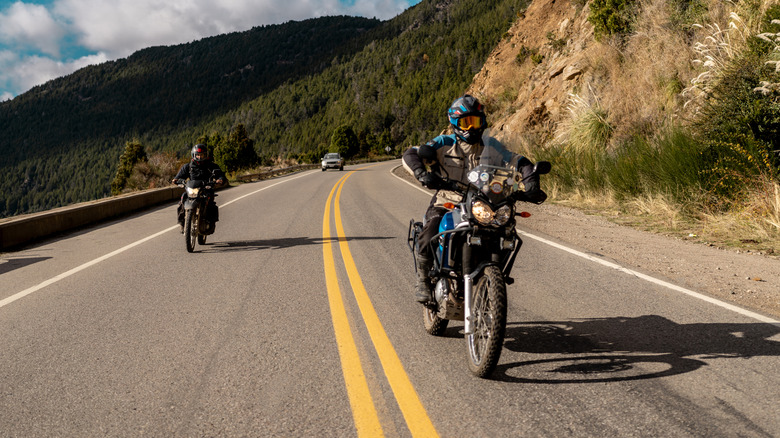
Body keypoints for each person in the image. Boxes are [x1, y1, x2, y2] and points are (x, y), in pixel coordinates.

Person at [402, 94, 547, 304]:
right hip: (448, 200)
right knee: (430, 232)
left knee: (506, 232)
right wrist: (421, 173)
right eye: (466, 122)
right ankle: (423, 280)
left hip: (484, 203)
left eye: (475, 122)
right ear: (455, 123)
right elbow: (412, 153)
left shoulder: (492, 147)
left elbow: (518, 160)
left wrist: (531, 179)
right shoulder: (444, 143)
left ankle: (492, 277)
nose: (471, 128)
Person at [172, 144, 226, 232]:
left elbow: (221, 175)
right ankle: (182, 223)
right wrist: (176, 180)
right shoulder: (188, 167)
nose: (199, 157)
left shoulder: (211, 166)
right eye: (197, 155)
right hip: (192, 190)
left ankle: (210, 224)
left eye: (202, 155)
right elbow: (178, 177)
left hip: (206, 189)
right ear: (193, 155)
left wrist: (220, 180)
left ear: (206, 155)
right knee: (182, 200)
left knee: (211, 203)